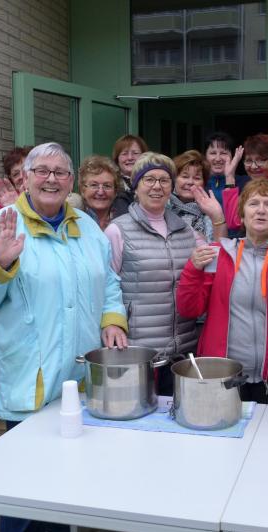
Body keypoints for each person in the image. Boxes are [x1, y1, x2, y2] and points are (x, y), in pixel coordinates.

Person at [177, 179, 268, 404]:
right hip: (221, 373)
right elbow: (189, 309)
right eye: (254, 203)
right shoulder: (218, 253)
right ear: (242, 216)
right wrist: (193, 270)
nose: (261, 210)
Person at [104, 152, 199, 395]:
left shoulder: (186, 230)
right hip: (138, 352)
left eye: (164, 180)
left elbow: (213, 266)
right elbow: (106, 285)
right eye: (149, 179)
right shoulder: (118, 230)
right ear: (136, 187)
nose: (157, 186)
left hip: (182, 350)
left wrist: (218, 218)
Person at [221, 134, 268, 232]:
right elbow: (233, 223)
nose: (253, 166)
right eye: (248, 161)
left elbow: (235, 222)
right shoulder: (249, 187)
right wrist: (229, 177)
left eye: (260, 160)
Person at [168, 149, 227, 243]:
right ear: (174, 179)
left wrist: (217, 215)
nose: (190, 182)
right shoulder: (164, 207)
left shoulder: (209, 212)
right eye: (185, 176)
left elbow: (220, 247)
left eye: (197, 178)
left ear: (204, 183)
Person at [70, 154, 123, 230]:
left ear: (115, 191)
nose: (101, 192)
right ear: (82, 190)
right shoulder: (72, 218)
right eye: (94, 185)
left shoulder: (123, 220)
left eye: (107, 186)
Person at [204, 131, 250, 207]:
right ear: (205, 156)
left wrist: (229, 177)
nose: (218, 159)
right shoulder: (199, 182)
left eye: (223, 153)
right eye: (213, 153)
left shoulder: (246, 183)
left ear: (232, 156)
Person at [111, 134, 148, 215]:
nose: (130, 158)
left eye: (135, 153)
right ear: (117, 159)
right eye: (124, 154)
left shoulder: (153, 183)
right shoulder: (111, 183)